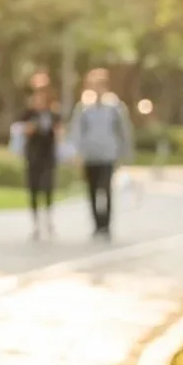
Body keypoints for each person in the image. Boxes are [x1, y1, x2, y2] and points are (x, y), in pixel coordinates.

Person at [68, 67, 134, 238]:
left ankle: (106, 225)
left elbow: (123, 130)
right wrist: (77, 153)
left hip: (108, 154)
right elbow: (77, 132)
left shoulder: (115, 107)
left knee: (105, 189)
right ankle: (96, 224)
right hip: (90, 155)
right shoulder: (83, 107)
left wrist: (124, 153)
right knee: (92, 190)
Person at [15, 75, 64, 239]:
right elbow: (19, 129)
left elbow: (60, 132)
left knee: (48, 187)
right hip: (33, 155)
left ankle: (49, 220)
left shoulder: (53, 113)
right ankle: (36, 223)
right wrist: (29, 129)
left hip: (48, 155)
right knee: (34, 188)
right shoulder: (28, 113)